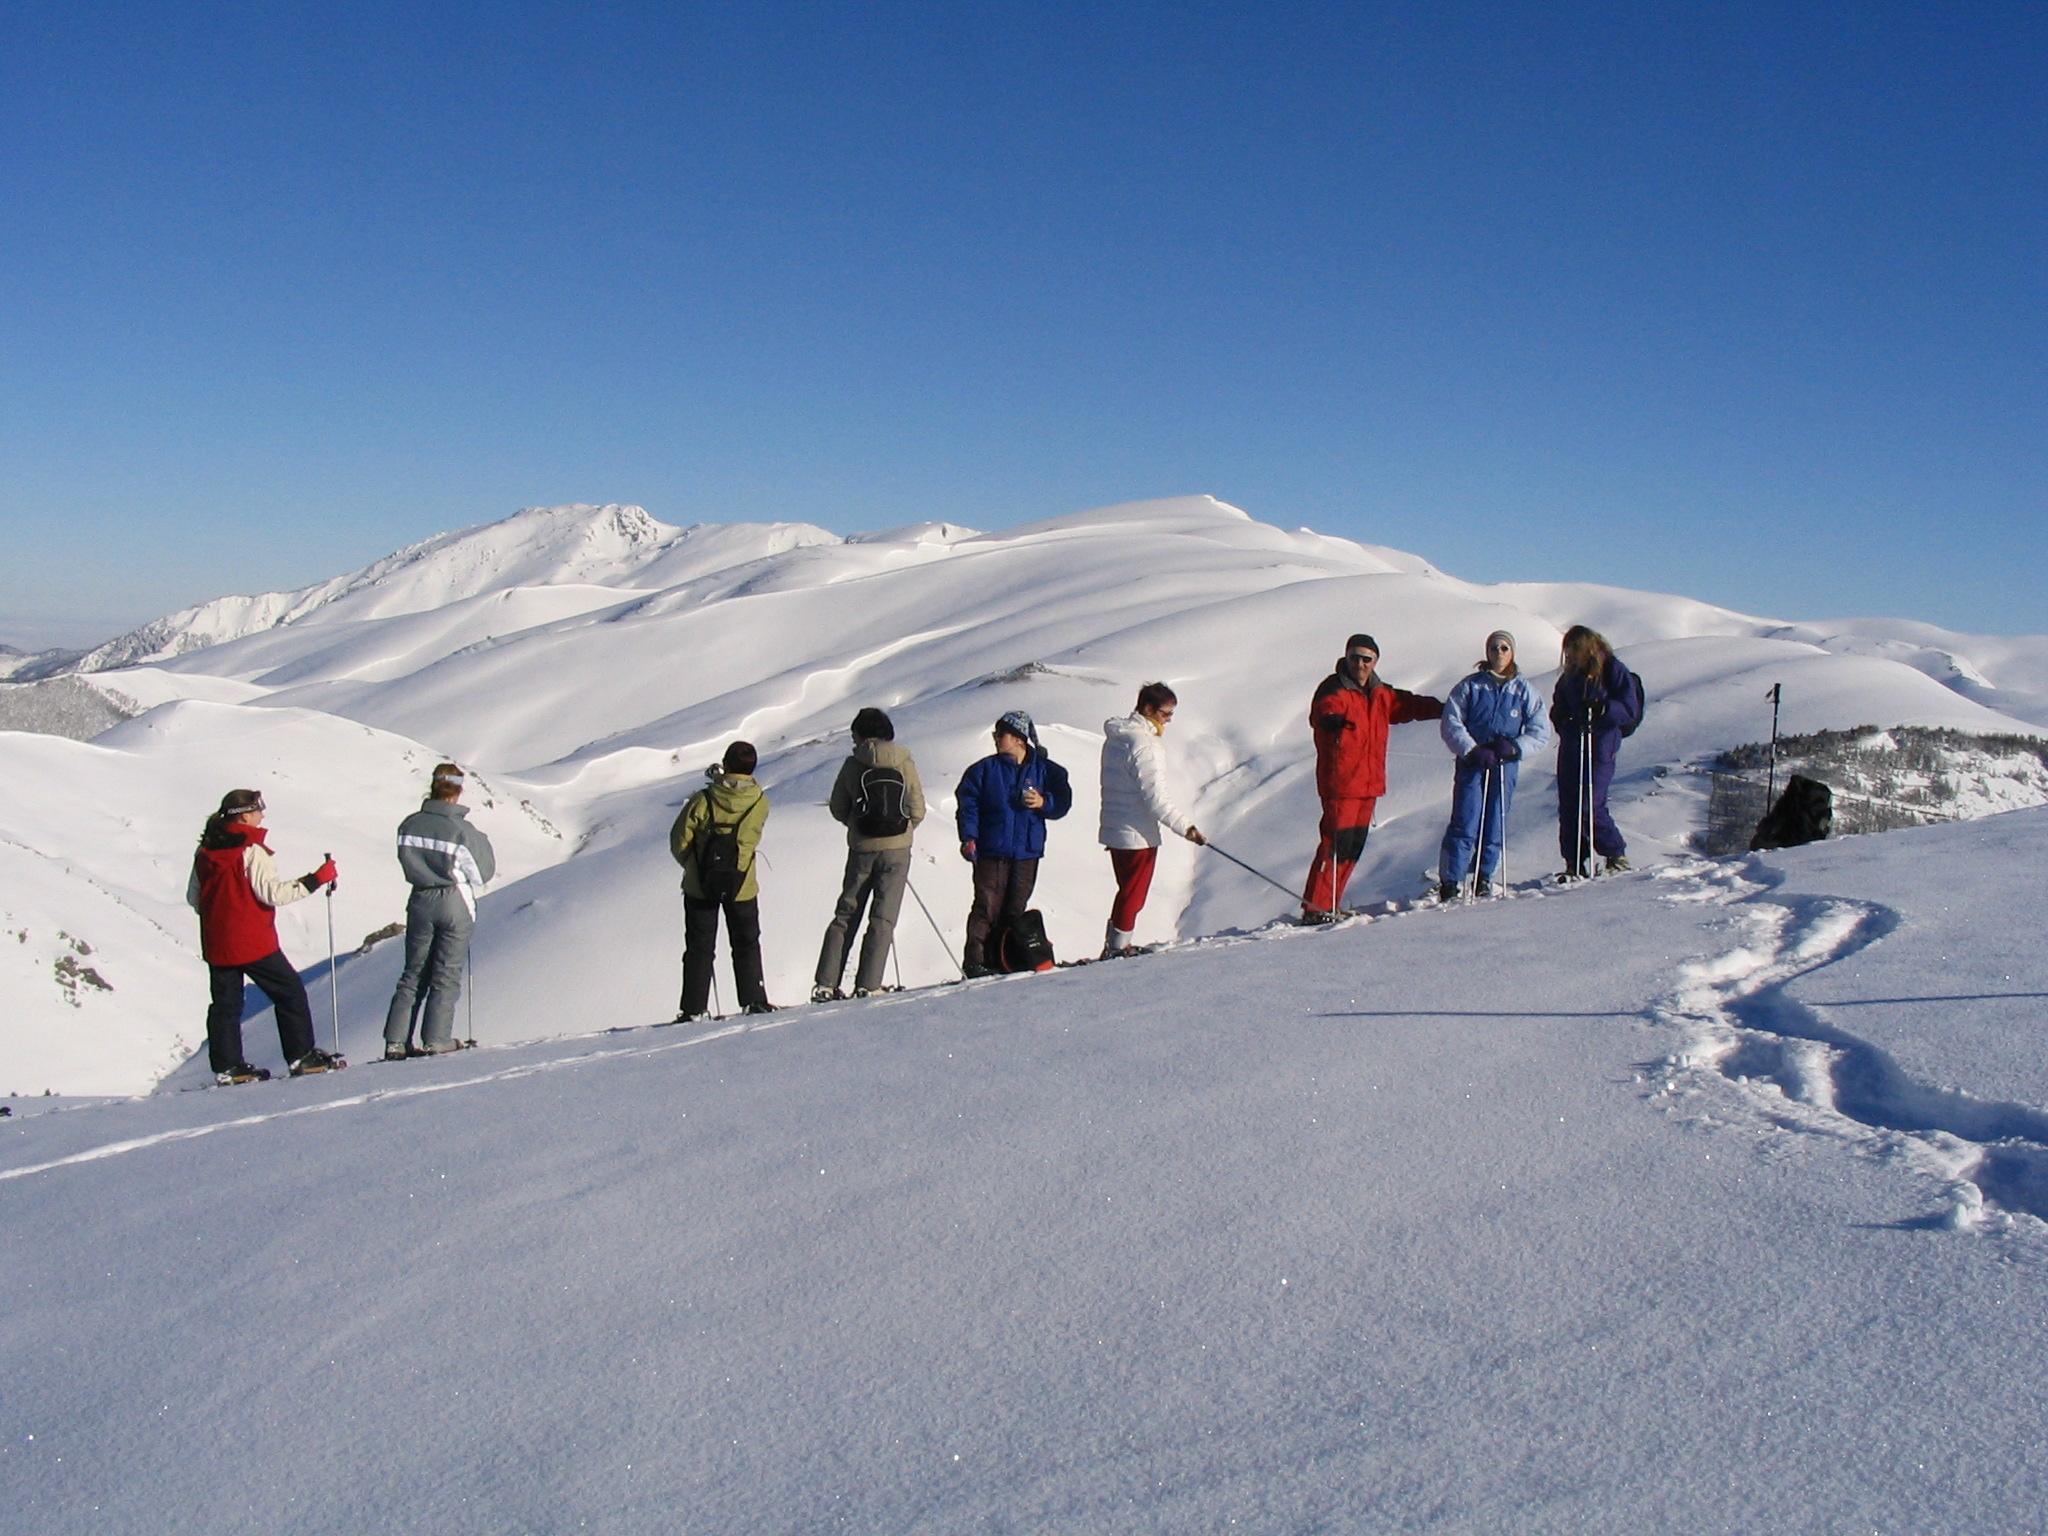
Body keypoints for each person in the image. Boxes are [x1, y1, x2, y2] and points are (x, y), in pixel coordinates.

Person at [185, 789, 342, 1084]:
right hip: (253, 939)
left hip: (217, 941)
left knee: (225, 1005)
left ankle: (228, 1067)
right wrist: (317, 878)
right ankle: (301, 1056)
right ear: (245, 815)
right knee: (289, 992)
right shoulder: (251, 849)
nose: (262, 815)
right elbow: (272, 893)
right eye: (258, 809)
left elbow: (194, 897)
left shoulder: (205, 849)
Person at [1302, 634, 1443, 921]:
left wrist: (1445, 708)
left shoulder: (1381, 694)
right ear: (1346, 657)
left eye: (1367, 659)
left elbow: (1410, 706)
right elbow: (1322, 711)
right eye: (1355, 657)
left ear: (1375, 661)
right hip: (1340, 784)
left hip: (1368, 785)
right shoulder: (1334, 689)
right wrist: (1331, 721)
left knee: (1352, 848)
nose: (1361, 664)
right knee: (1334, 846)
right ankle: (1316, 908)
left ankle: (1331, 903)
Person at [381, 762, 497, 1059]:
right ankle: (436, 1038)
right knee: (445, 972)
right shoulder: (462, 830)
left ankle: (396, 1041)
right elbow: (482, 872)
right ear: (458, 791)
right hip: (454, 900)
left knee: (414, 971)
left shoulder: (409, 824)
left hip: (420, 898)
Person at [813, 708, 927, 1001]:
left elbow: (838, 807)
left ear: (860, 735)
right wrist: (901, 831)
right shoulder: (904, 761)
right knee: (883, 918)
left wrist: (858, 826)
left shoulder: (853, 764)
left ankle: (826, 983)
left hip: (862, 848)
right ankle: (869, 984)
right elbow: (917, 809)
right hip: (897, 849)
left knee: (846, 914)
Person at [955, 709, 1072, 976]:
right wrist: (968, 837)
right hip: (990, 850)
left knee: (1014, 908)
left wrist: (1045, 802)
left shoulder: (1045, 770)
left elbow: (1063, 799)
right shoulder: (983, 770)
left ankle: (1004, 959)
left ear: (1019, 738)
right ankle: (975, 962)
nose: (996, 738)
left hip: (1026, 851)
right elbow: (967, 804)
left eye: (1002, 734)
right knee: (986, 907)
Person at [1436, 631, 1550, 900]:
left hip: (1504, 765)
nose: (1499, 653)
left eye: (1504, 648)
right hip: (1473, 762)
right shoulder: (1471, 687)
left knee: (1495, 820)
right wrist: (1471, 749)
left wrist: (1516, 747)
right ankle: (1451, 881)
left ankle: (1484, 875)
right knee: (1465, 819)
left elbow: (1540, 731)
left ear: (1512, 652)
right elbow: (1451, 722)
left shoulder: (1524, 691)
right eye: (1494, 648)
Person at [1097, 682, 1205, 956]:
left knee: (1126, 891)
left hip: (1115, 828)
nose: (1168, 720)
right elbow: (1156, 799)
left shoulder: (1118, 736)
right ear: (1148, 709)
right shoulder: (1145, 744)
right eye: (1165, 713)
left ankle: (1114, 944)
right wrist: (1187, 828)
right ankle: (1118, 948)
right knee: (1133, 895)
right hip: (1137, 833)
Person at [670, 741, 773, 1020]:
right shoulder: (759, 801)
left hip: (700, 885)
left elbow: (679, 839)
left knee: (699, 947)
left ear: (725, 764)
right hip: (743, 884)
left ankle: (694, 1008)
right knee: (746, 942)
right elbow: (750, 840)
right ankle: (754, 999)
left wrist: (693, 867)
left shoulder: (703, 799)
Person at [1550, 624, 1642, 879]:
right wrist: (1566, 722)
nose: (1569, 655)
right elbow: (1557, 709)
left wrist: (1603, 709)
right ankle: (1574, 861)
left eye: (1573, 650)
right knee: (1569, 804)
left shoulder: (1612, 669)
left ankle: (1615, 853)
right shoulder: (1569, 676)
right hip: (1573, 744)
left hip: (1601, 742)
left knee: (1590, 803)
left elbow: (1629, 709)